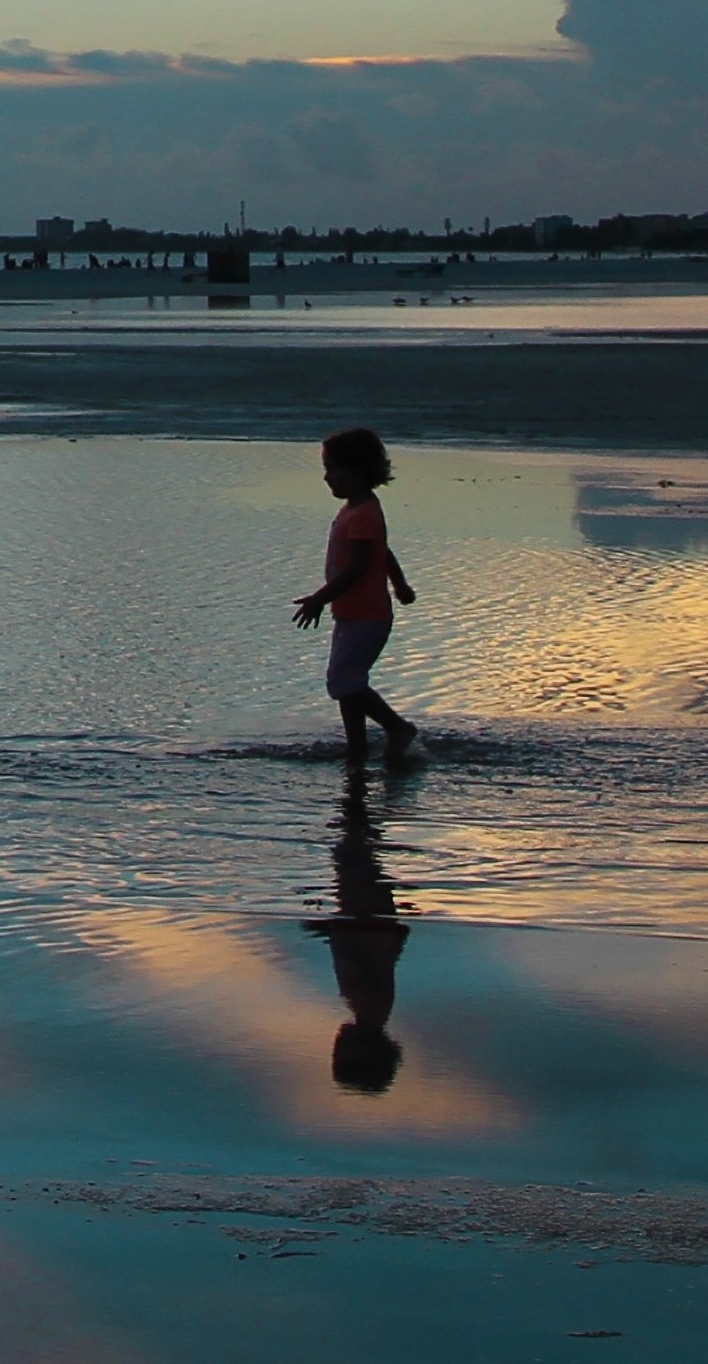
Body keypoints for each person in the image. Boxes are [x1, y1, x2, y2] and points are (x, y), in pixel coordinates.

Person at [290, 423, 422, 761]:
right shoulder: (355, 509)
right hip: (352, 613)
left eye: (333, 469)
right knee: (347, 682)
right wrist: (401, 583)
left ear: (358, 471)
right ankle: (358, 747)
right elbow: (383, 552)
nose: (327, 477)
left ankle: (397, 727)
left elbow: (360, 566)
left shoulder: (364, 513)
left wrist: (320, 598)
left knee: (343, 679)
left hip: (368, 616)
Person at [312, 770, 408, 1093]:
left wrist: (329, 932)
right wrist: (336, 930)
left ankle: (359, 780)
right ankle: (360, 777)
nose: (336, 1045)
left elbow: (384, 951)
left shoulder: (372, 1008)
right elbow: (368, 954)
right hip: (365, 907)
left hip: (366, 911)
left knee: (353, 843)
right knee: (352, 843)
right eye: (341, 1053)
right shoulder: (369, 1004)